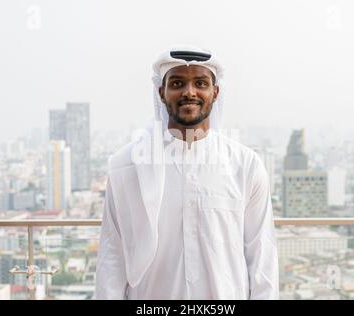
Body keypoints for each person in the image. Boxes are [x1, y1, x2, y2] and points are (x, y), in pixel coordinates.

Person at [95, 45, 279, 299]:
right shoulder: (127, 167)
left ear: (215, 92)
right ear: (162, 92)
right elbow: (111, 260)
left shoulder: (245, 166)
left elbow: (262, 260)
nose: (189, 92)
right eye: (178, 83)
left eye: (201, 83)